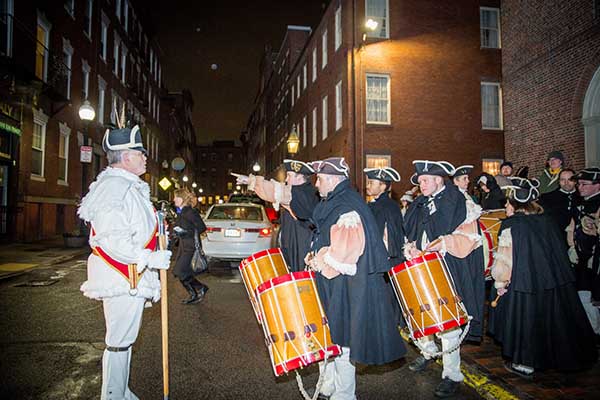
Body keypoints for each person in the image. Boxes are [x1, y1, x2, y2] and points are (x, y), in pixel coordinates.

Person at [78, 125, 172, 400]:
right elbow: (111, 239)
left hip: (129, 276)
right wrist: (147, 257)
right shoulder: (114, 189)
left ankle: (120, 391)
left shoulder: (125, 186)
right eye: (140, 153)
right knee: (119, 342)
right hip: (122, 277)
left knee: (125, 340)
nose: (145, 157)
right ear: (126, 156)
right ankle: (113, 395)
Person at [306, 157, 406, 400]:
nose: (316, 184)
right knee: (334, 334)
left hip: (344, 283)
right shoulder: (338, 200)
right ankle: (331, 386)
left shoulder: (347, 205)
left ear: (331, 179)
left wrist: (317, 261)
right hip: (336, 282)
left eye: (319, 179)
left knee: (342, 337)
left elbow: (344, 255)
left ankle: (345, 393)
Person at [488, 177, 597, 378]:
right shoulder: (546, 220)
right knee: (553, 322)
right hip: (553, 281)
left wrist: (500, 282)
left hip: (524, 284)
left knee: (527, 321)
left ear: (516, 204)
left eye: (508, 202)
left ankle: (525, 363)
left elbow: (505, 260)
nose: (505, 205)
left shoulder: (512, 225)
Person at [403, 160, 484, 398]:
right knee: (422, 311)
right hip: (425, 265)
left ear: (439, 180)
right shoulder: (421, 201)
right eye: (419, 181)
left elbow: (454, 233)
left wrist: (435, 244)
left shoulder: (456, 199)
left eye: (425, 180)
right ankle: (428, 352)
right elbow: (411, 230)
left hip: (448, 266)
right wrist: (413, 246)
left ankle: (452, 374)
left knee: (447, 321)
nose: (421, 184)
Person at [239, 159, 320, 271]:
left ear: (300, 177)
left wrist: (251, 180)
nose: (286, 179)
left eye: (289, 175)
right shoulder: (296, 192)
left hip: (301, 249)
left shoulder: (305, 193)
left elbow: (275, 191)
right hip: (292, 249)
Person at [567, 167, 600, 336]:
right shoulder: (579, 202)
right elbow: (572, 226)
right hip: (581, 257)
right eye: (578, 184)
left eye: (584, 184)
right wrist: (572, 246)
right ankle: (592, 331)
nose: (580, 187)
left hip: (595, 259)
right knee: (583, 294)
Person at [172, 188, 208, 304]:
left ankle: (198, 289)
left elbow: (202, 227)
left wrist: (186, 232)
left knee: (180, 271)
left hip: (191, 247)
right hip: (184, 246)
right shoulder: (181, 212)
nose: (174, 199)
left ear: (182, 199)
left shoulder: (190, 212)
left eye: (176, 197)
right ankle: (195, 292)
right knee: (181, 272)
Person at [364, 166, 405, 267]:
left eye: (371, 183)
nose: (368, 186)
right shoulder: (372, 205)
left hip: (384, 260)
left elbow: (392, 235)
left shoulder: (389, 206)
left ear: (382, 186)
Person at [539, 168, 580, 242]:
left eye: (570, 179)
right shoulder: (547, 198)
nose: (566, 182)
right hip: (556, 239)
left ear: (575, 181)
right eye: (563, 180)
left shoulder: (582, 197)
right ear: (559, 181)